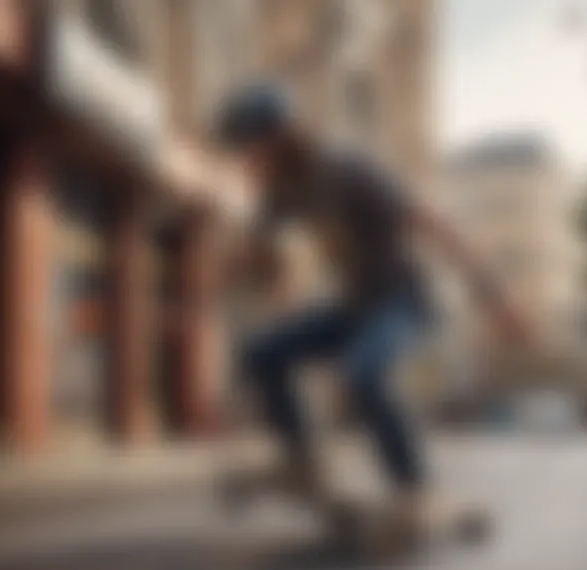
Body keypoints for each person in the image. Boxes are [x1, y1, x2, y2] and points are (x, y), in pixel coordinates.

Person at [215, 85, 527, 546]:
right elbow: (264, 256)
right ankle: (301, 465)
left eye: (248, 148)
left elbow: (431, 225)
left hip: (403, 302)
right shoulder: (278, 191)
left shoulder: (347, 169)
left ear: (279, 135)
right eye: (240, 152)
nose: (244, 162)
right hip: (352, 307)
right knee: (261, 353)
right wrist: (249, 273)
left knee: (363, 374)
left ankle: (415, 490)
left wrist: (495, 298)